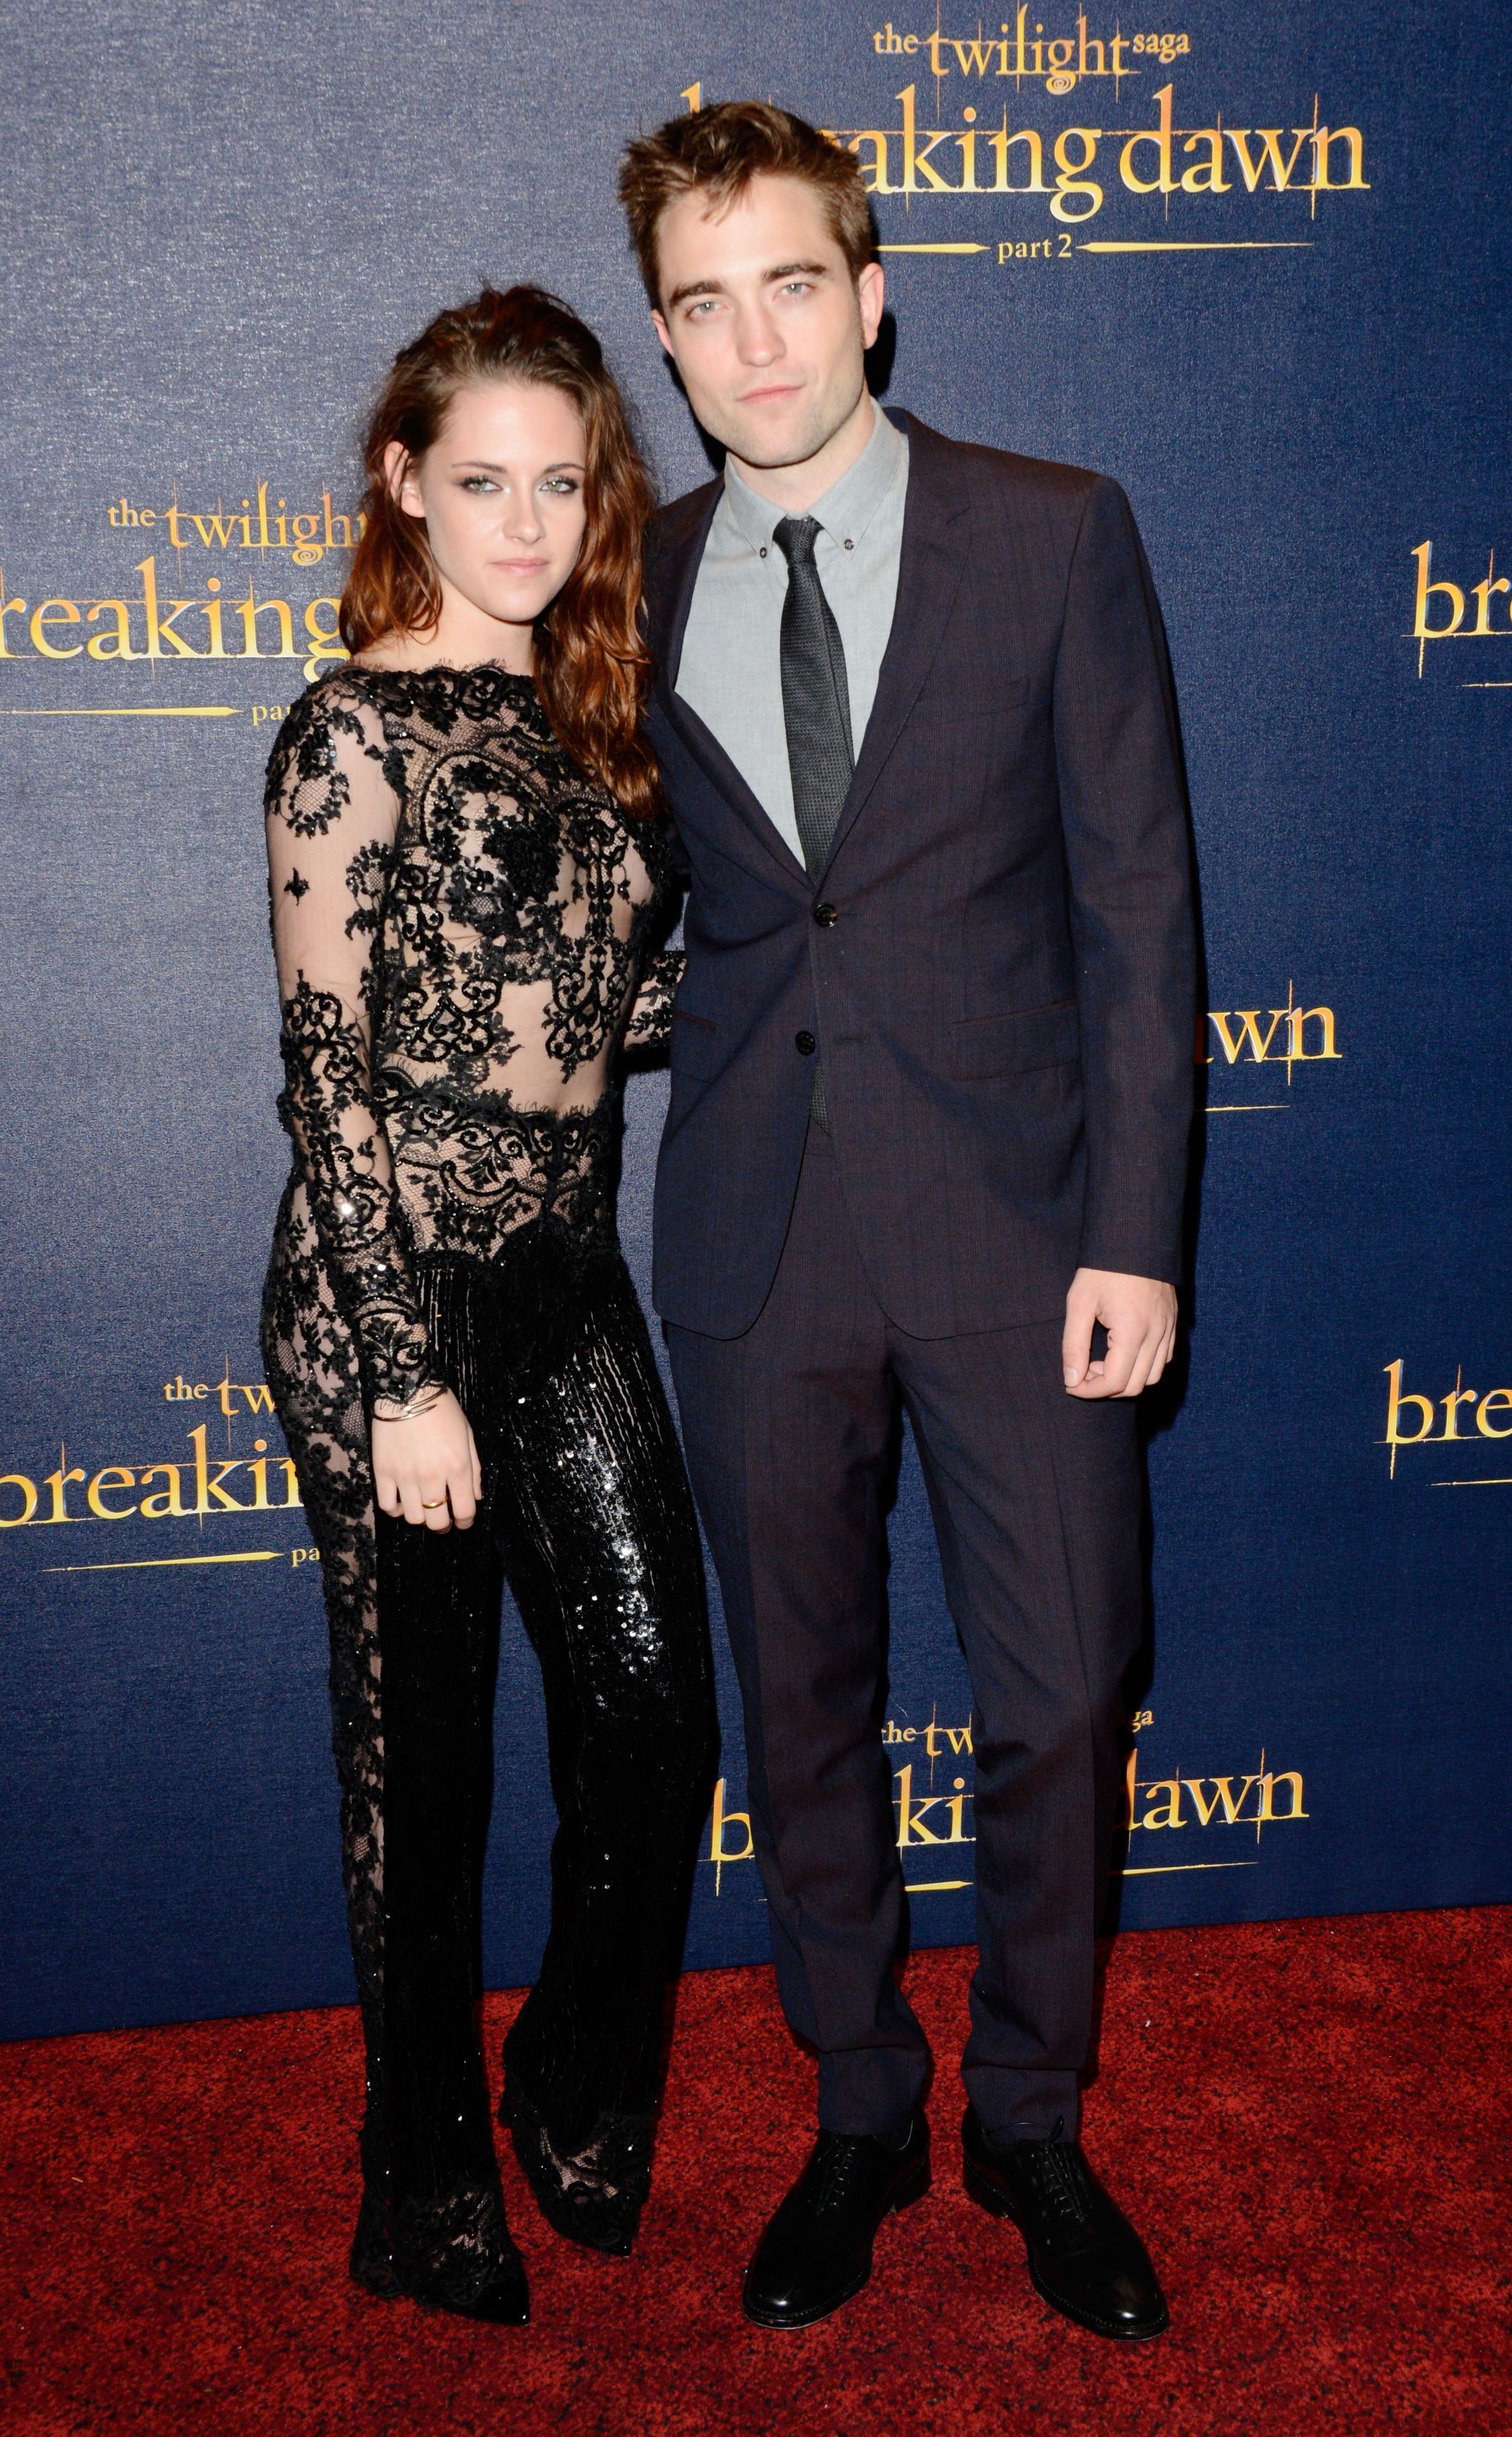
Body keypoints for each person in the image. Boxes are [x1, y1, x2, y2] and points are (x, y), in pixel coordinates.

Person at [618, 104, 1195, 2339]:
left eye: (789, 282)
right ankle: (859, 2101)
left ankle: (1030, 2117)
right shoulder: (631, 582)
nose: (752, 340)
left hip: (1027, 1227)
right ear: (665, 341)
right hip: (756, 1231)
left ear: (868, 290)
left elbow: (1141, 909)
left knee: (1058, 1697)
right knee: (804, 1703)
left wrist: (1137, 1234)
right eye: (701, 302)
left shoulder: (1055, 535)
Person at [260, 285, 714, 2324]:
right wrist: (401, 1373)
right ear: (403, 485)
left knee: (647, 1715)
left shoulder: (604, 724)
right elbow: (331, 1074)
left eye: (560, 482)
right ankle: (417, 2162)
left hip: (566, 1272)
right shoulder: (345, 732)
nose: (523, 523)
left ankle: (563, 2074)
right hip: (392, 1296)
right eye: (481, 483)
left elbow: (626, 1020)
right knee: (417, 1762)